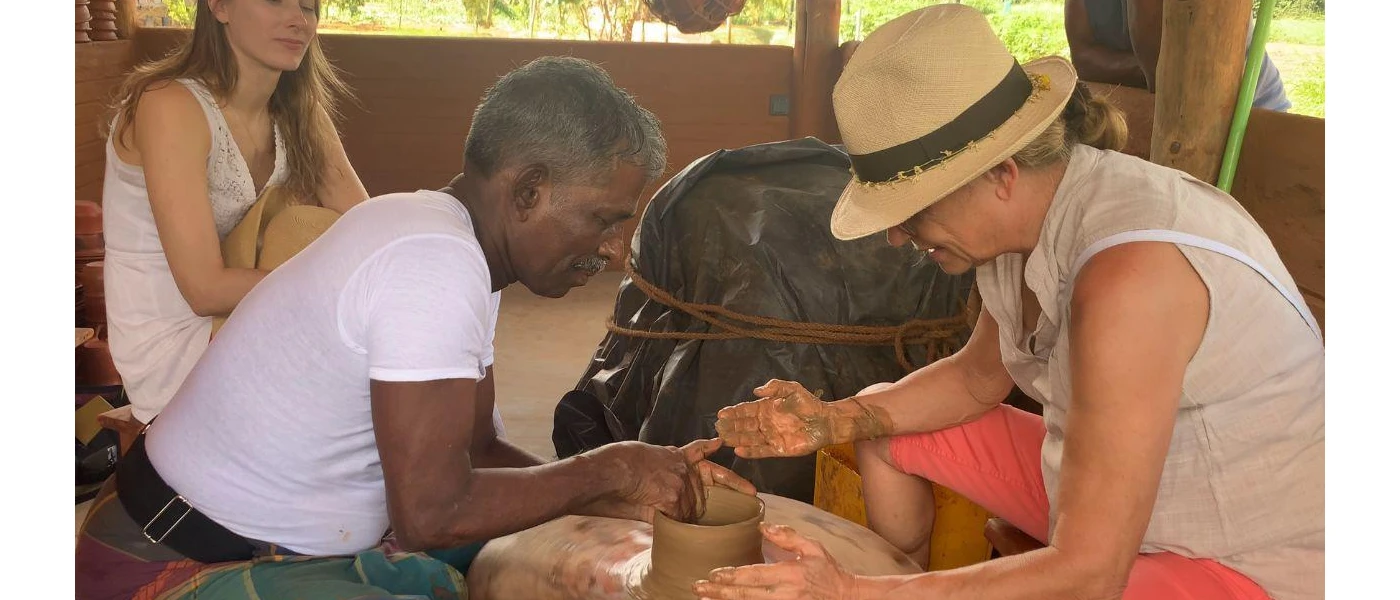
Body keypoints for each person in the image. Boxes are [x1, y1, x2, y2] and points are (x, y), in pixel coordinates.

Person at [75, 55, 756, 600]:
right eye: (605, 218)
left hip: (246, 539)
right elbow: (430, 516)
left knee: (501, 553)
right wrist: (611, 466)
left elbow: (479, 454)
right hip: (168, 560)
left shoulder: (450, 238)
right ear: (527, 192)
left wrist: (624, 495)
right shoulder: (431, 263)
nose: (614, 249)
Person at [703, 5, 1321, 600]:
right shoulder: (1026, 223)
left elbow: (1088, 575)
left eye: (912, 207)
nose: (896, 235)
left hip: (1242, 552)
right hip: (1124, 493)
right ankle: (900, 574)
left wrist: (852, 591)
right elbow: (977, 381)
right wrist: (836, 417)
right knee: (884, 424)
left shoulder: (1130, 274)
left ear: (1000, 172)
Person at [102, 0, 368, 424]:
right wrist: (330, 289)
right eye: (277, 1)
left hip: (247, 306)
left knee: (382, 349)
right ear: (220, 6)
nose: (298, 20)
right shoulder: (169, 104)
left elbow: (366, 227)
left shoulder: (300, 109)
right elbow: (204, 291)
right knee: (357, 382)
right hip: (177, 333)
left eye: (309, 6)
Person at [1065, 0, 1291, 111]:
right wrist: (1155, 70)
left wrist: (1160, 70)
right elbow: (1083, 62)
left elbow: (1169, 77)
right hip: (1146, 111)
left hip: (1247, 115)